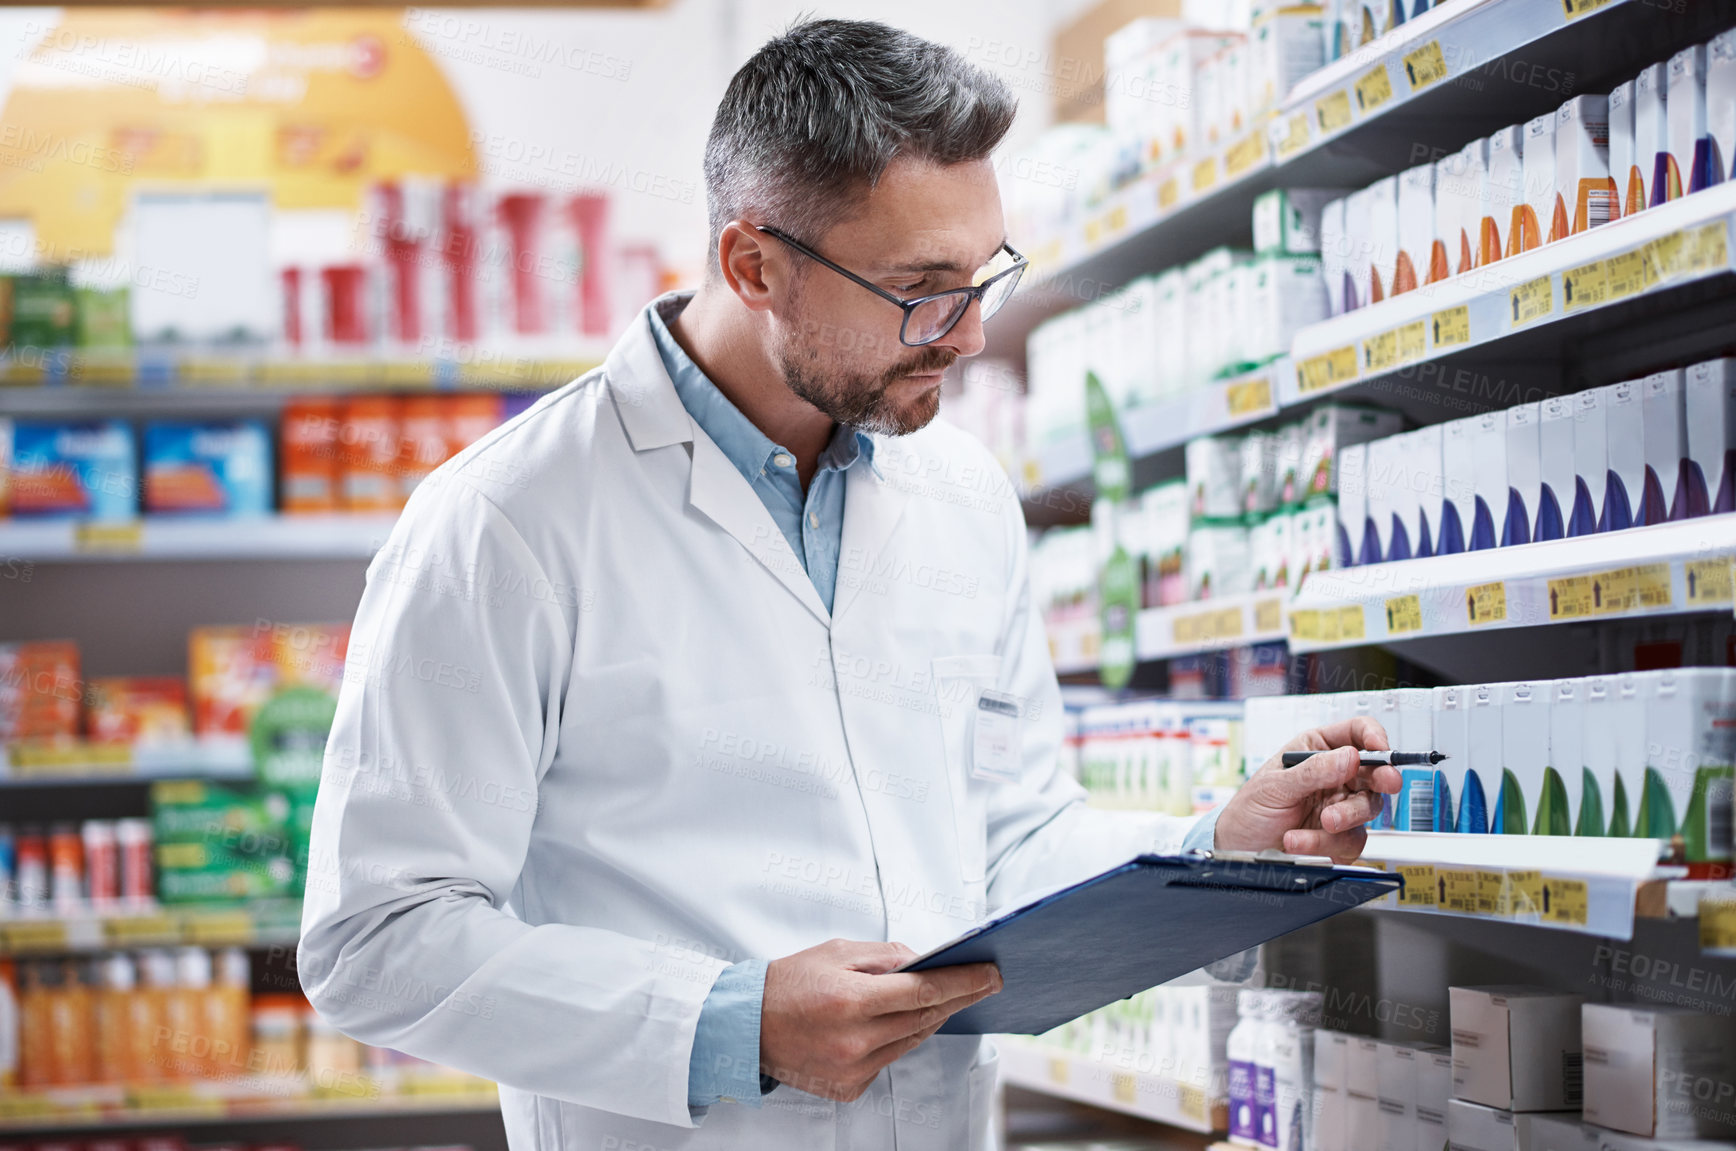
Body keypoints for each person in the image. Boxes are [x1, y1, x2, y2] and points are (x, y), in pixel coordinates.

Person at [298, 18, 1399, 1151]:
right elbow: (376, 938)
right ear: (752, 265)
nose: (968, 336)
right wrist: (731, 1021)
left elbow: (1005, 841)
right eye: (920, 288)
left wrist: (1214, 848)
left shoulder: (964, 495)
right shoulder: (507, 519)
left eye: (983, 277)